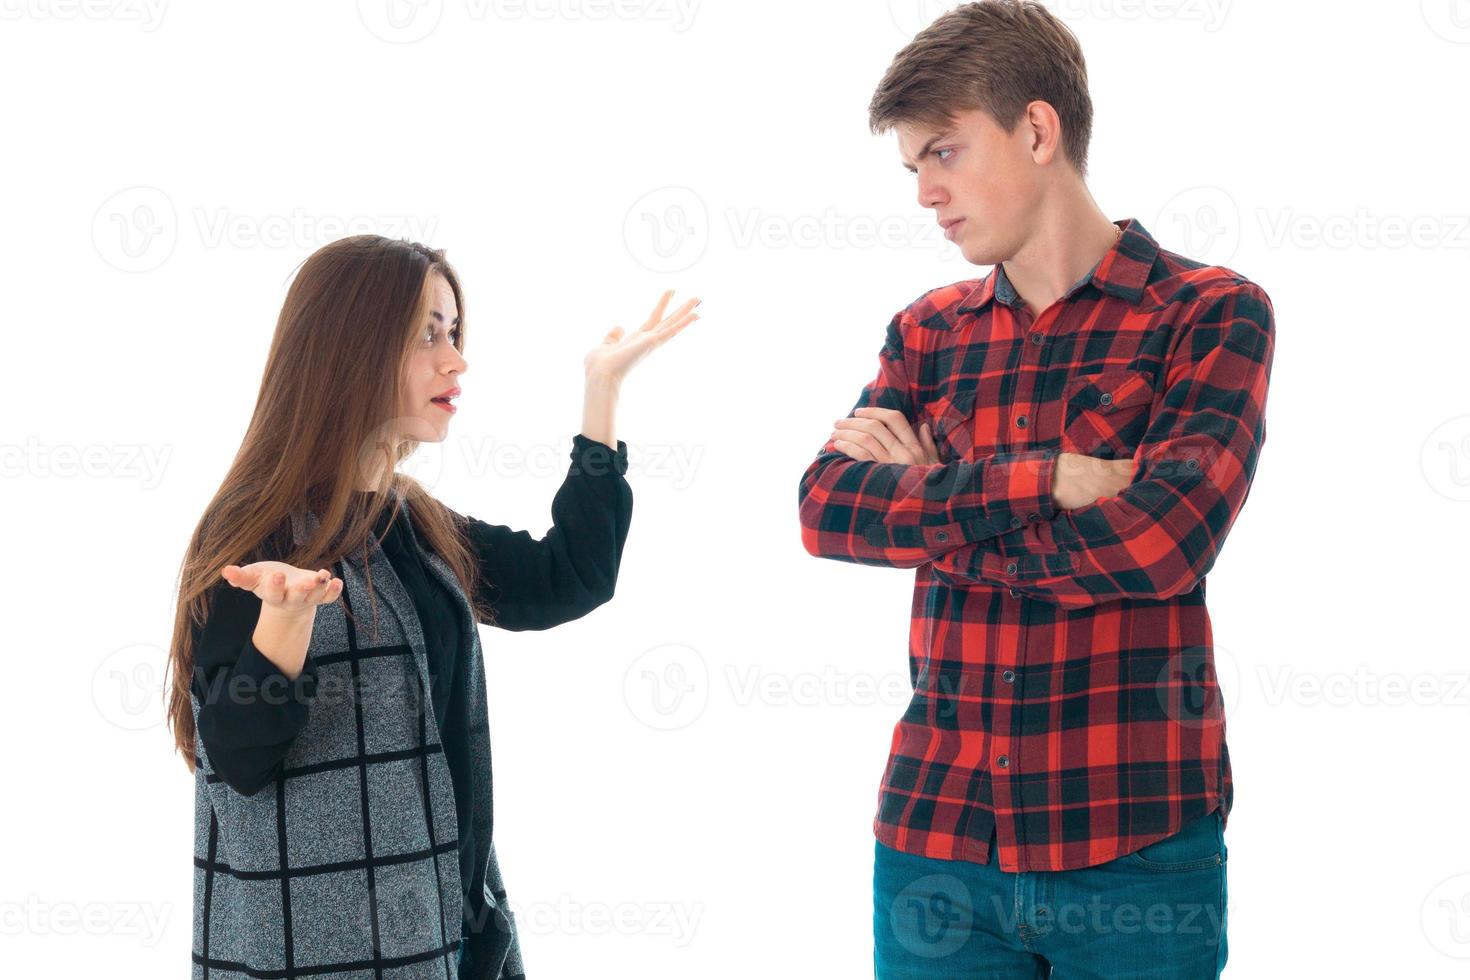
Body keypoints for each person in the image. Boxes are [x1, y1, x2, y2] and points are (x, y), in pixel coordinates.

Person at [797, 3, 1273, 977]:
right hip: (937, 845)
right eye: (912, 168)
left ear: (1038, 130)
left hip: (1138, 846)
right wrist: (1046, 479)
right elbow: (825, 507)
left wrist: (935, 495)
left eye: (944, 152)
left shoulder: (1210, 313)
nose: (925, 192)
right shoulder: (926, 332)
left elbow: (1162, 545)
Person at [165, 234, 699, 978]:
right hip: (324, 953)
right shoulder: (254, 531)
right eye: (426, 335)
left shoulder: (406, 523)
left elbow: (569, 576)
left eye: (453, 332)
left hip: (444, 925)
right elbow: (236, 757)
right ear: (350, 349)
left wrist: (600, 392)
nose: (455, 359)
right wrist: (283, 626)